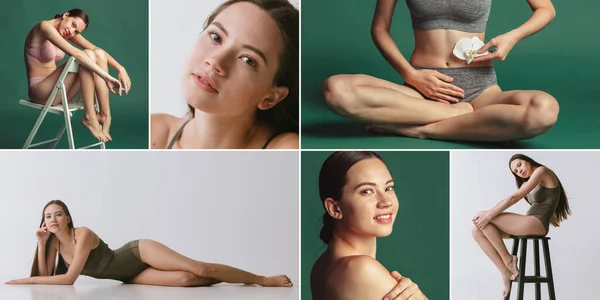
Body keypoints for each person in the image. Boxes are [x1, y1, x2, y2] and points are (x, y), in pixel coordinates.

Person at [321, 0, 559, 143]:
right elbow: (380, 29)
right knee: (336, 90)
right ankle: (464, 118)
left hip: (481, 90)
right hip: (422, 89)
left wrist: (513, 36)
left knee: (544, 110)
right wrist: (410, 75)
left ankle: (424, 129)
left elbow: (545, 8)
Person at [5, 200, 292, 287]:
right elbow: (45, 277)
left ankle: (261, 279)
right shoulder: (53, 242)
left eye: (57, 215)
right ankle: (225, 279)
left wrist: (24, 280)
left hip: (136, 253)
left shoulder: (84, 234)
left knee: (201, 269)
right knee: (185, 279)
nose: (52, 220)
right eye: (47, 217)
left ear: (67, 218)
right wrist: (42, 244)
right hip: (128, 276)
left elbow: (68, 279)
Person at [151, 0, 299, 149]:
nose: (215, 61)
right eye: (216, 37)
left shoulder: (286, 151)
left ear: (271, 97)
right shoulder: (153, 133)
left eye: (248, 60)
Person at [310, 151, 428, 300]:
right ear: (334, 208)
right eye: (367, 191)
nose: (386, 202)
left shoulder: (322, 265)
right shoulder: (361, 269)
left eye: (388, 188)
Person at [472, 154, 571, 297]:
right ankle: (505, 272)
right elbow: (539, 200)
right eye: (516, 171)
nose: (519, 171)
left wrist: (488, 214)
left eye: (519, 165)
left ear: (528, 161)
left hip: (536, 222)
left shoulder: (541, 171)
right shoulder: (526, 183)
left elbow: (514, 197)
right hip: (529, 222)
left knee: (484, 217)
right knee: (477, 230)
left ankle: (508, 259)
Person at [25, 8, 130, 143]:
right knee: (86, 55)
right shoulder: (43, 27)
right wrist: (106, 77)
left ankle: (105, 115)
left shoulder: (67, 31)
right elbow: (76, 54)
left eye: (76, 32)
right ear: (66, 15)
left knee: (96, 53)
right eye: (73, 25)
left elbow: (97, 50)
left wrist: (121, 68)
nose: (72, 32)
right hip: (40, 91)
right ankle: (89, 116)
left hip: (59, 92)